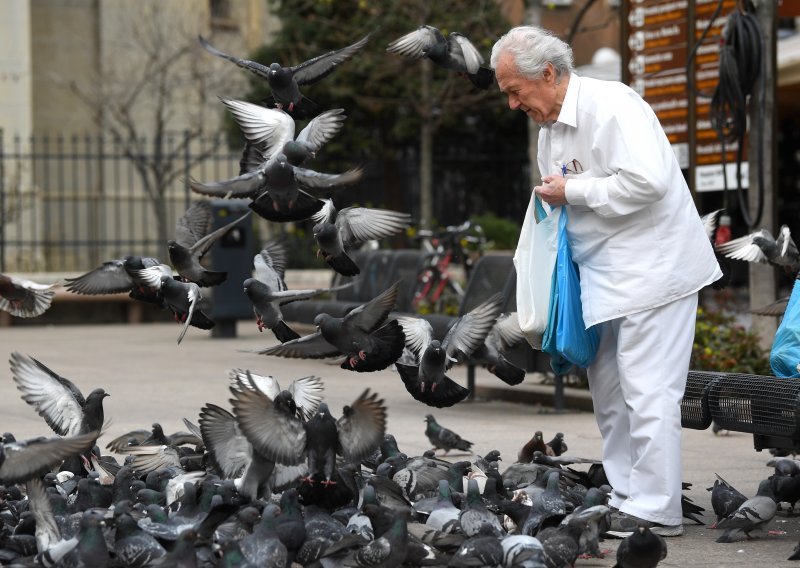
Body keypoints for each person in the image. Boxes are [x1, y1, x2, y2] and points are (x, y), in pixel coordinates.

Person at [491, 26, 722, 537]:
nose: (512, 104)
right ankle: (626, 497)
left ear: (547, 74)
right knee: (611, 394)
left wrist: (574, 189)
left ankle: (656, 507)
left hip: (655, 271)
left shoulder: (612, 105)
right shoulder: (549, 129)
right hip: (603, 276)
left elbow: (649, 180)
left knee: (647, 391)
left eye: (515, 90)